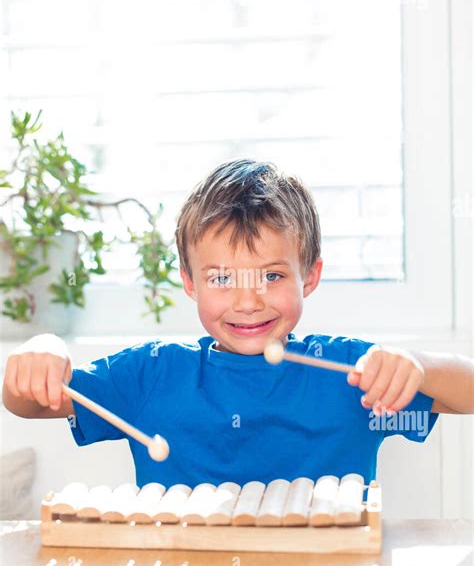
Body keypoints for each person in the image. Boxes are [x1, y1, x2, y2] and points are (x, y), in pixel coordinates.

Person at [3, 160, 473, 488]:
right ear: (189, 281)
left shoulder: (352, 372)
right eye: (222, 278)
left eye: (272, 275)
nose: (248, 301)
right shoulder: (151, 377)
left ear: (309, 275)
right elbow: (30, 405)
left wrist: (416, 365)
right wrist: (40, 350)